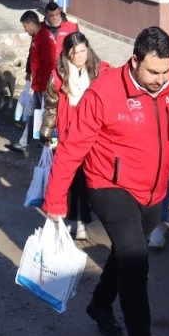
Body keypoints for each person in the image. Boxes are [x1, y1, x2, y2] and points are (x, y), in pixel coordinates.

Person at [43, 27, 169, 336]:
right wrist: (55, 200)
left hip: (154, 188)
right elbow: (72, 147)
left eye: (167, 70)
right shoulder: (104, 92)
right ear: (135, 61)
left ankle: (100, 303)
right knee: (135, 261)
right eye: (153, 72)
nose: (161, 79)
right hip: (108, 184)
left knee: (129, 252)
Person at [40, 31, 110, 241]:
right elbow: (51, 107)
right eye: (75, 52)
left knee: (93, 174)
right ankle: (77, 220)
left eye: (83, 50)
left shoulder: (100, 71)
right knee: (73, 178)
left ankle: (91, 216)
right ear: (67, 54)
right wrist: (47, 131)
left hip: (95, 132)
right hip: (69, 131)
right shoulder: (58, 76)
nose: (80, 56)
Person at [9, 3, 78, 152]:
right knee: (38, 112)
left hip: (55, 81)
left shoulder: (68, 29)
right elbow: (33, 55)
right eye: (51, 16)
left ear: (60, 13)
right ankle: (32, 141)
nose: (54, 18)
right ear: (46, 15)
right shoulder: (40, 32)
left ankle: (49, 143)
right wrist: (29, 73)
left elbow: (53, 61)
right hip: (42, 82)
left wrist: (53, 82)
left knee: (50, 113)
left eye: (56, 15)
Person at [6, 10, 43, 152]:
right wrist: (28, 71)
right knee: (35, 112)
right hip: (38, 83)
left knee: (42, 112)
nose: (24, 29)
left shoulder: (44, 38)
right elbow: (31, 55)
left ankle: (45, 144)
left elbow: (48, 63)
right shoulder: (36, 37)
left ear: (30, 24)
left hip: (44, 85)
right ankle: (27, 141)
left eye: (24, 26)